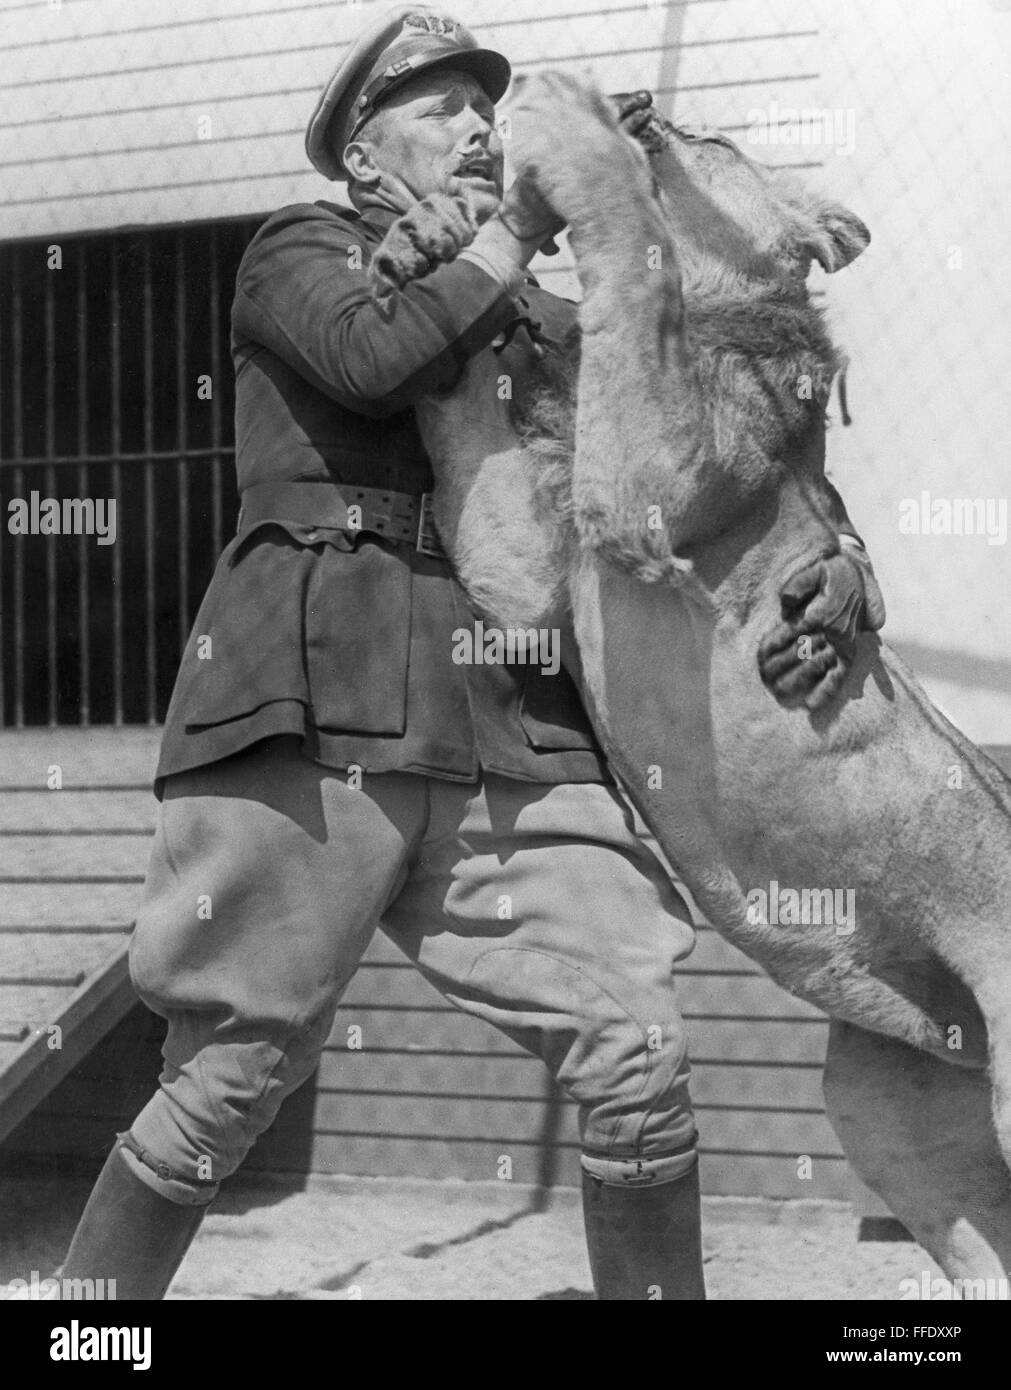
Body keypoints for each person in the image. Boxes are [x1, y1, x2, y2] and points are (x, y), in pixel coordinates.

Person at [54, 6, 882, 1301]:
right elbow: (376, 357)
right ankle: (83, 1337)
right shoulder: (302, 248)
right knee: (226, 1076)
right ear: (363, 144)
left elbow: (665, 445)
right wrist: (515, 242)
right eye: (442, 106)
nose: (479, 126)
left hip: (512, 716)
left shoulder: (517, 298)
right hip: (314, 692)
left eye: (484, 105)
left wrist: (810, 533)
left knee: (636, 1046)